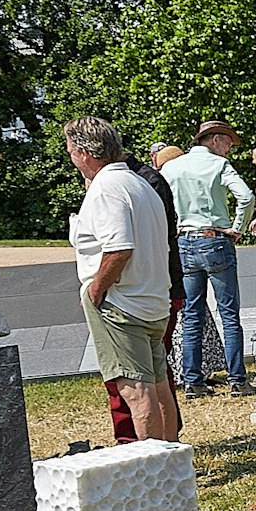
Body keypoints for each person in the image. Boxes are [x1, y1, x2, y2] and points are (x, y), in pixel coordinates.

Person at [63, 116, 178, 441]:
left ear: (85, 152)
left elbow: (118, 249)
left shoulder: (107, 189)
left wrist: (96, 290)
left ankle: (154, 481)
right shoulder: (140, 183)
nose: (71, 157)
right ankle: (173, 470)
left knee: (137, 393)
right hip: (152, 300)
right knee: (158, 389)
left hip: (122, 304)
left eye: (71, 149)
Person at [161, 119, 254, 397]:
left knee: (191, 315)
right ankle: (237, 378)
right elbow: (246, 197)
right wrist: (237, 229)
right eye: (227, 142)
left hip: (184, 241)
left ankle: (193, 381)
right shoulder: (219, 165)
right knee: (228, 313)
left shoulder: (171, 167)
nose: (229, 148)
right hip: (215, 240)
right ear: (214, 139)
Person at [104, 148, 186, 442]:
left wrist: (95, 290)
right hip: (153, 290)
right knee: (151, 375)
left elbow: (125, 247)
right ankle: (162, 447)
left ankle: (144, 445)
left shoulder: (141, 182)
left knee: (144, 379)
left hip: (146, 293)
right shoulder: (142, 181)